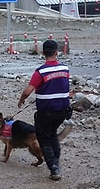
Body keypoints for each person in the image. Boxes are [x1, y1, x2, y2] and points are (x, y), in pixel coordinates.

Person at [17, 39, 70, 180]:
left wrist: (21, 99)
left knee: (44, 139)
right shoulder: (65, 69)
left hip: (46, 111)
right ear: (56, 53)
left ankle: (53, 168)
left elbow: (28, 90)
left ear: (42, 53)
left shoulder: (40, 72)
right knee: (53, 134)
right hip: (62, 110)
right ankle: (56, 163)